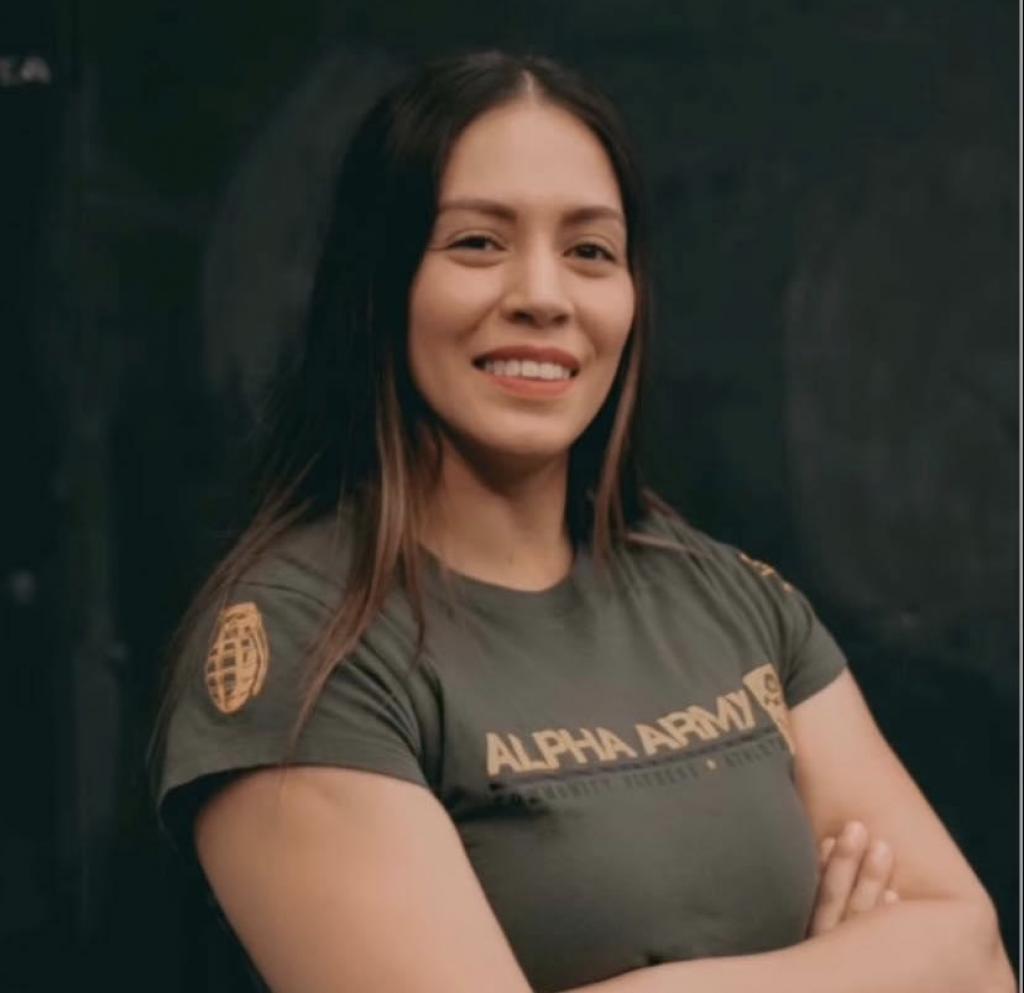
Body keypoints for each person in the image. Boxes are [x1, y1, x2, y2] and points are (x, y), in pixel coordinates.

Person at [147, 49, 1014, 993]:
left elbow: (975, 957)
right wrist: (846, 970)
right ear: (381, 283)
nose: (543, 296)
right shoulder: (307, 648)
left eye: (590, 251)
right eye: (478, 243)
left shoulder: (734, 602)